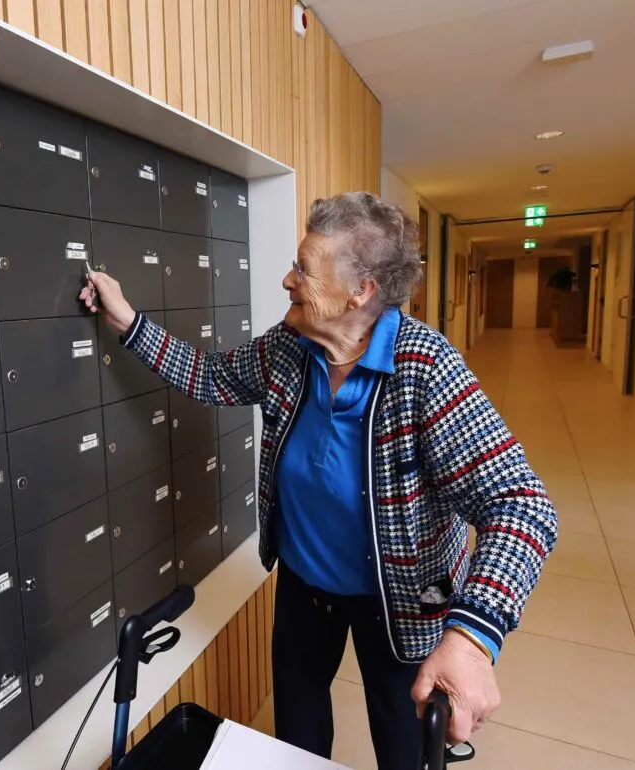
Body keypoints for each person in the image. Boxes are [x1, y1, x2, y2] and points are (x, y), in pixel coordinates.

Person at [81, 192, 557, 770]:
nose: (287, 279)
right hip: (305, 588)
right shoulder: (289, 349)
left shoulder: (426, 370)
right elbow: (211, 376)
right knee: (297, 739)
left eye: (304, 269)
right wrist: (126, 320)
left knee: (402, 746)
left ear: (361, 292)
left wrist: (471, 638)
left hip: (401, 600)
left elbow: (522, 507)